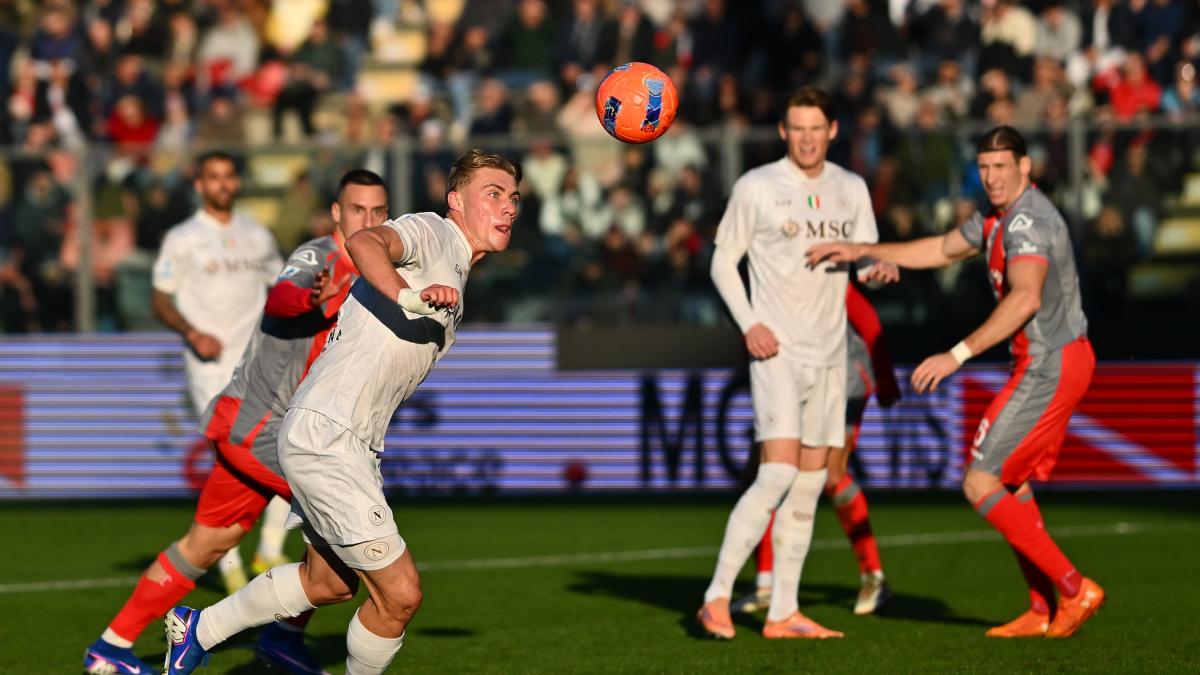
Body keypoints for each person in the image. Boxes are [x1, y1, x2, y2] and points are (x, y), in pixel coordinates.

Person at [163, 149, 521, 674]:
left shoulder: (458, 269)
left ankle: (200, 630)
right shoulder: (433, 232)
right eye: (492, 194)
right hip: (328, 434)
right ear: (456, 202)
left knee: (327, 583)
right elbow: (364, 241)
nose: (508, 207)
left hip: (344, 439)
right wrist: (408, 295)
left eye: (513, 197)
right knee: (399, 596)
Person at [84, 170, 390, 675]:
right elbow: (283, 295)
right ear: (337, 213)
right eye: (358, 210)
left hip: (254, 432)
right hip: (263, 428)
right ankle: (263, 634)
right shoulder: (320, 256)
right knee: (352, 535)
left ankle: (109, 647)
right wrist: (313, 298)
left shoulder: (374, 264)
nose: (368, 220)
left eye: (379, 212)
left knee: (206, 544)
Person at [807, 125, 1103, 638]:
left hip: (1051, 362)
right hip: (1045, 361)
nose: (991, 178)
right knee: (1007, 481)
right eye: (984, 168)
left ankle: (1075, 588)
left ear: (1025, 168)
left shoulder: (1027, 220)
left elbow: (1026, 297)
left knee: (979, 481)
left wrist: (957, 354)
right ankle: (1039, 609)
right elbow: (940, 250)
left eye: (1001, 167)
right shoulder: (995, 217)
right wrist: (861, 249)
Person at [697, 87, 896, 641]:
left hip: (832, 355)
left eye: (817, 128)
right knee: (778, 472)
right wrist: (749, 324)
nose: (807, 138)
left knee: (810, 486)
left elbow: (864, 260)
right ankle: (716, 597)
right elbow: (722, 262)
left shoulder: (851, 189)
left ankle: (783, 610)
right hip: (778, 352)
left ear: (833, 130)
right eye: (797, 128)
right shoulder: (757, 186)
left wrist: (876, 270)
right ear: (783, 132)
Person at [147, 150, 293, 597]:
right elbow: (160, 298)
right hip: (210, 365)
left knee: (283, 454)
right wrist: (192, 332)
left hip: (260, 362)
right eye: (213, 177)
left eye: (229, 176)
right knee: (229, 462)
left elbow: (284, 286)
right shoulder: (183, 237)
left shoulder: (256, 234)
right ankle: (227, 562)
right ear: (199, 184)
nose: (222, 184)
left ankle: (268, 549)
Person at [734, 283, 900, 617]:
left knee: (830, 473)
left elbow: (864, 316)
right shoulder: (748, 264)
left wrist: (885, 377)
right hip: (792, 368)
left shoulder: (802, 251)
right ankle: (765, 585)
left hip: (844, 370)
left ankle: (874, 576)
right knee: (761, 473)